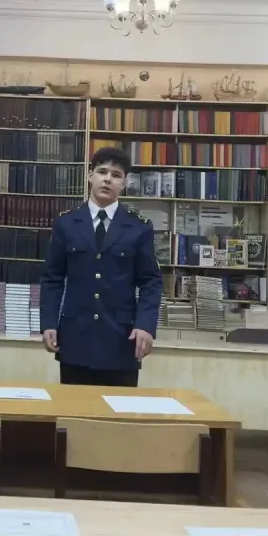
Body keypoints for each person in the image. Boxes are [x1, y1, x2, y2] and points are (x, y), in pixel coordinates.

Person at [40, 146, 162, 387]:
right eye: (102, 172)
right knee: (75, 407)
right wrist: (49, 323)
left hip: (121, 340)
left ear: (124, 183)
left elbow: (151, 281)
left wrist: (145, 326)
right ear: (90, 176)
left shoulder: (139, 227)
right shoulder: (67, 223)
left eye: (116, 175)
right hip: (75, 339)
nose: (108, 179)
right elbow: (52, 278)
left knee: (119, 409)